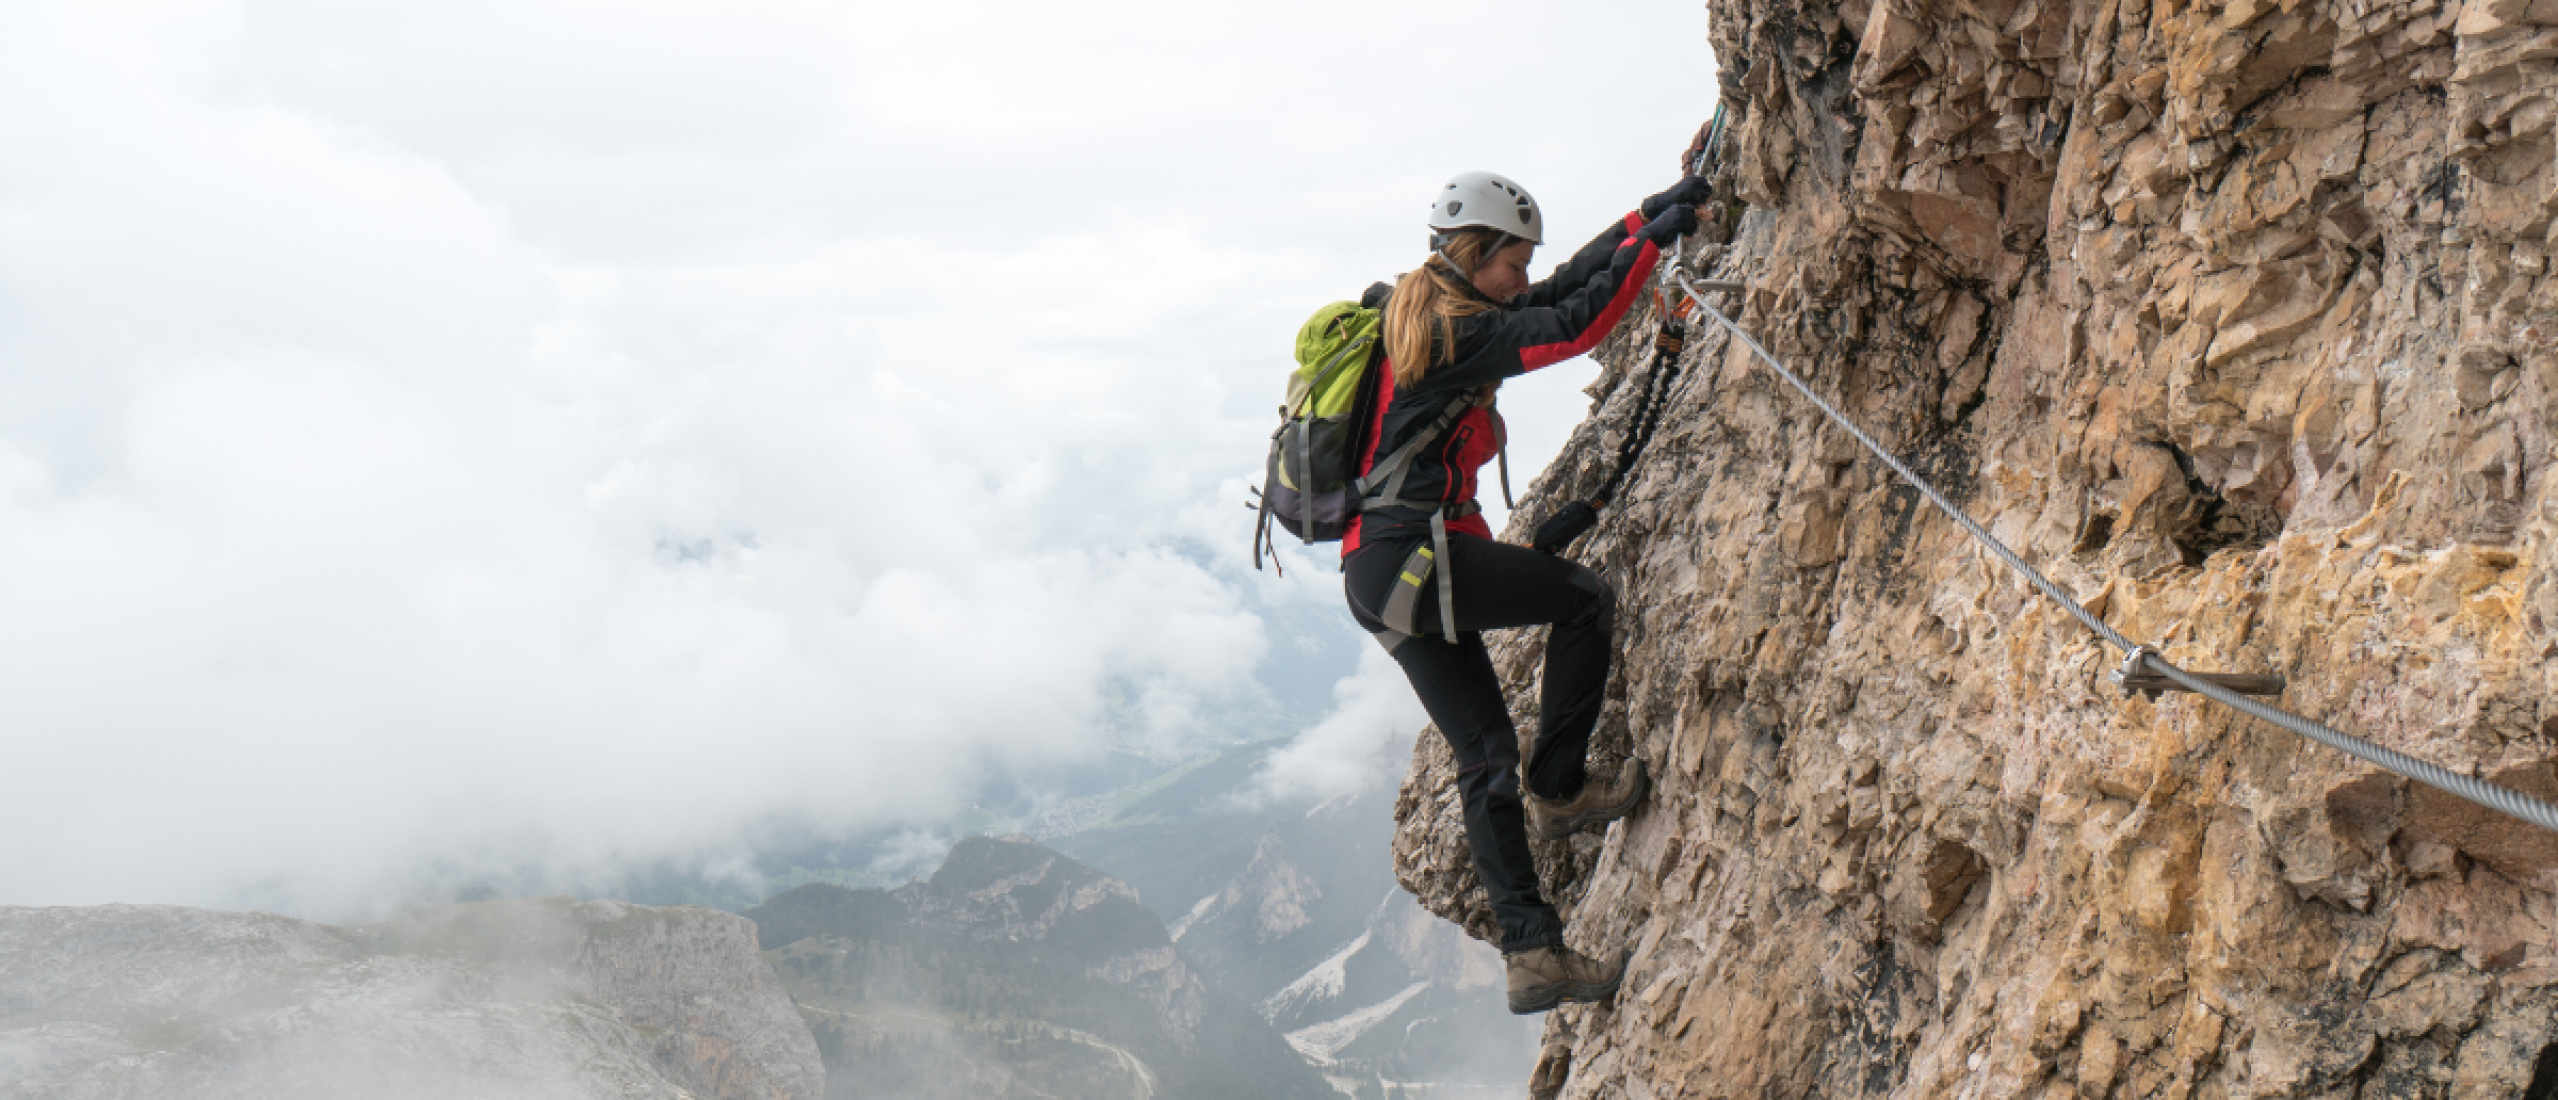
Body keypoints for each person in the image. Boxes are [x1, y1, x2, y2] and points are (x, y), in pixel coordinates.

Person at [1341, 170, 1710, 1014]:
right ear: (1475, 254)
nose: (1522, 273)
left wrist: (1639, 218)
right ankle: (1561, 787)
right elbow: (1576, 326)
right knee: (1582, 598)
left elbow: (1554, 290)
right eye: (1512, 259)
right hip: (1413, 560)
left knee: (1483, 757)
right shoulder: (1450, 332)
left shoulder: (1436, 310)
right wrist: (1653, 247)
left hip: (1380, 575)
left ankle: (1534, 954)